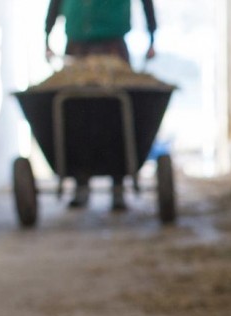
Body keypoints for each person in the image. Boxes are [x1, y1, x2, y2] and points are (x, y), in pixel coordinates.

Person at [45, 0, 158, 210]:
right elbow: (55, 3)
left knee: (115, 116)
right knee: (77, 117)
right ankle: (81, 182)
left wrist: (153, 34)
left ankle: (118, 185)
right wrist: (47, 35)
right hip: (77, 48)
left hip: (113, 49)